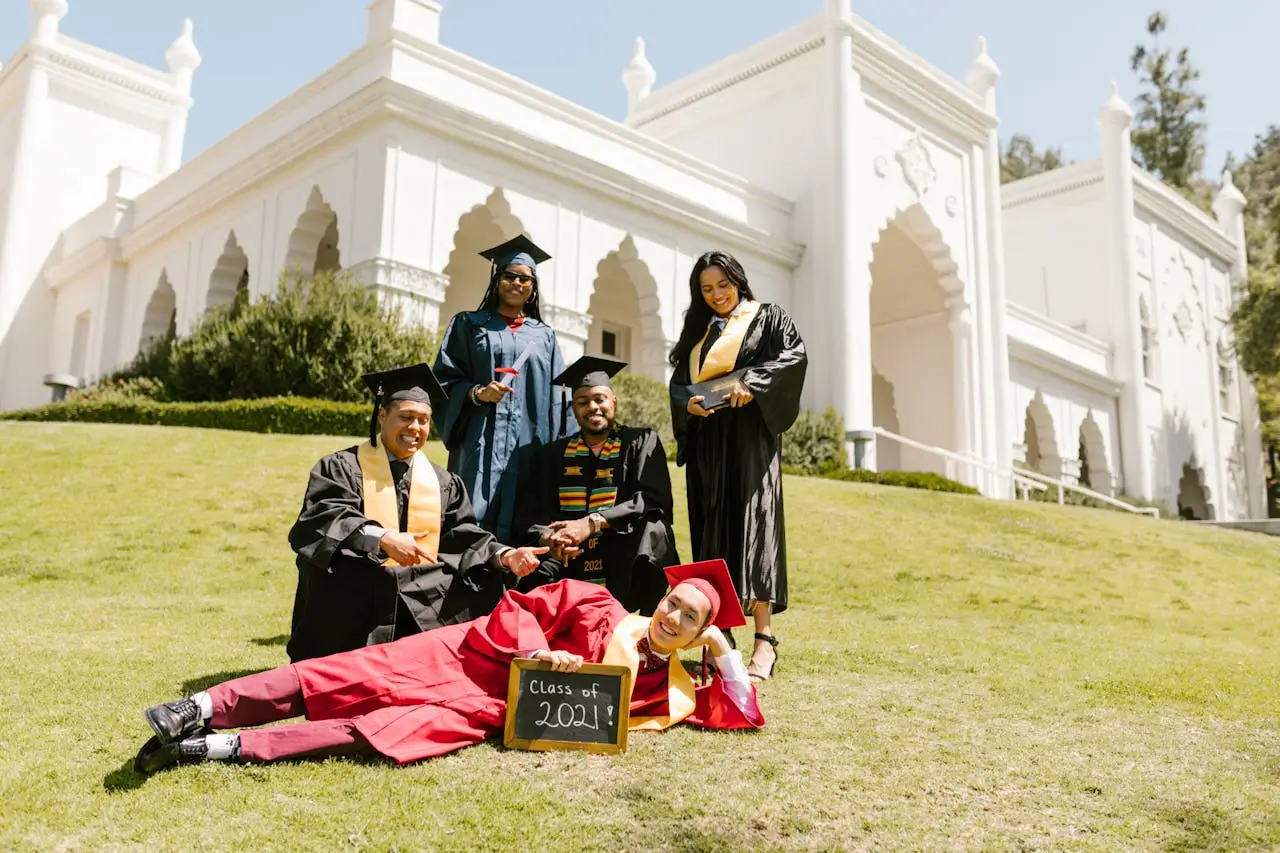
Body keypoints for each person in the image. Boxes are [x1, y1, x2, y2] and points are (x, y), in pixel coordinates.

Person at [133, 560, 763, 774]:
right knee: (343, 675)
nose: (670, 617)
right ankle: (200, 707)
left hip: (484, 711)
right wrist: (538, 650)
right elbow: (520, 604)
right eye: (671, 603)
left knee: (375, 731)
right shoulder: (600, 605)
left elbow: (740, 713)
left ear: (696, 633)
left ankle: (216, 747)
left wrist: (725, 653)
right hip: (470, 655)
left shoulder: (669, 691)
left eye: (688, 618)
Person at [286, 362, 547, 663]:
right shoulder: (341, 468)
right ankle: (330, 668)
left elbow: (461, 535)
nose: (415, 428)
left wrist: (503, 555)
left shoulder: (443, 481)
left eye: (424, 420)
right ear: (383, 416)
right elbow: (323, 518)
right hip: (357, 586)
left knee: (485, 579)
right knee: (328, 573)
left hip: (414, 587)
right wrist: (382, 538)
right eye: (406, 417)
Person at [668, 250, 808, 682]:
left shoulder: (768, 317)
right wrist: (685, 403)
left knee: (755, 527)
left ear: (738, 281)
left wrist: (753, 383)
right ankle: (719, 638)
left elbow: (793, 358)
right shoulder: (697, 334)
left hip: (750, 439)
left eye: (723, 286)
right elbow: (678, 385)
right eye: (707, 289)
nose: (717, 295)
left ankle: (765, 640)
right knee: (713, 530)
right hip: (710, 441)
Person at [431, 234, 570, 542]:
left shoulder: (544, 336)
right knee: (470, 518)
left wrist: (562, 448)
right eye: (509, 276)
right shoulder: (469, 324)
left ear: (533, 289)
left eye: (525, 279)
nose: (517, 283)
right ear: (497, 279)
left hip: (529, 448)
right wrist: (477, 393)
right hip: (479, 444)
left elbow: (561, 396)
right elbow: (443, 380)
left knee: (527, 520)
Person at [515, 355, 678, 614]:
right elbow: (532, 514)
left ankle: (648, 631)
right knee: (527, 570)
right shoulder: (553, 454)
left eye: (600, 399)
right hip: (569, 557)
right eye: (583, 402)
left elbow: (651, 499)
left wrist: (591, 523)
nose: (593, 407)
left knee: (654, 530)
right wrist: (552, 538)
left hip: (621, 553)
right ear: (573, 409)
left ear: (614, 401)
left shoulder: (640, 442)